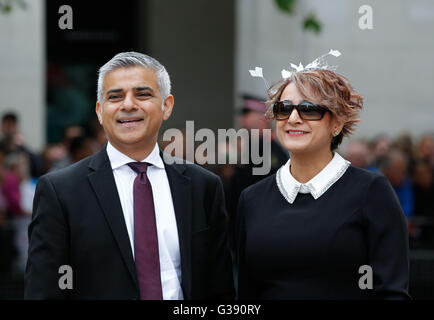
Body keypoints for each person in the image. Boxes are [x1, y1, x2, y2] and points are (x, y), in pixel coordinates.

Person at [25, 52, 235, 300]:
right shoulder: (61, 191)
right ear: (100, 111)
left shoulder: (203, 187)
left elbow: (220, 290)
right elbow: (44, 291)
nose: (128, 105)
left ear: (166, 106)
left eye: (142, 94)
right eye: (115, 97)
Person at [235, 53, 410, 299]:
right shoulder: (251, 199)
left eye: (308, 109)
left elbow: (391, 292)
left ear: (336, 123)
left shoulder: (371, 191)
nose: (293, 118)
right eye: (283, 109)